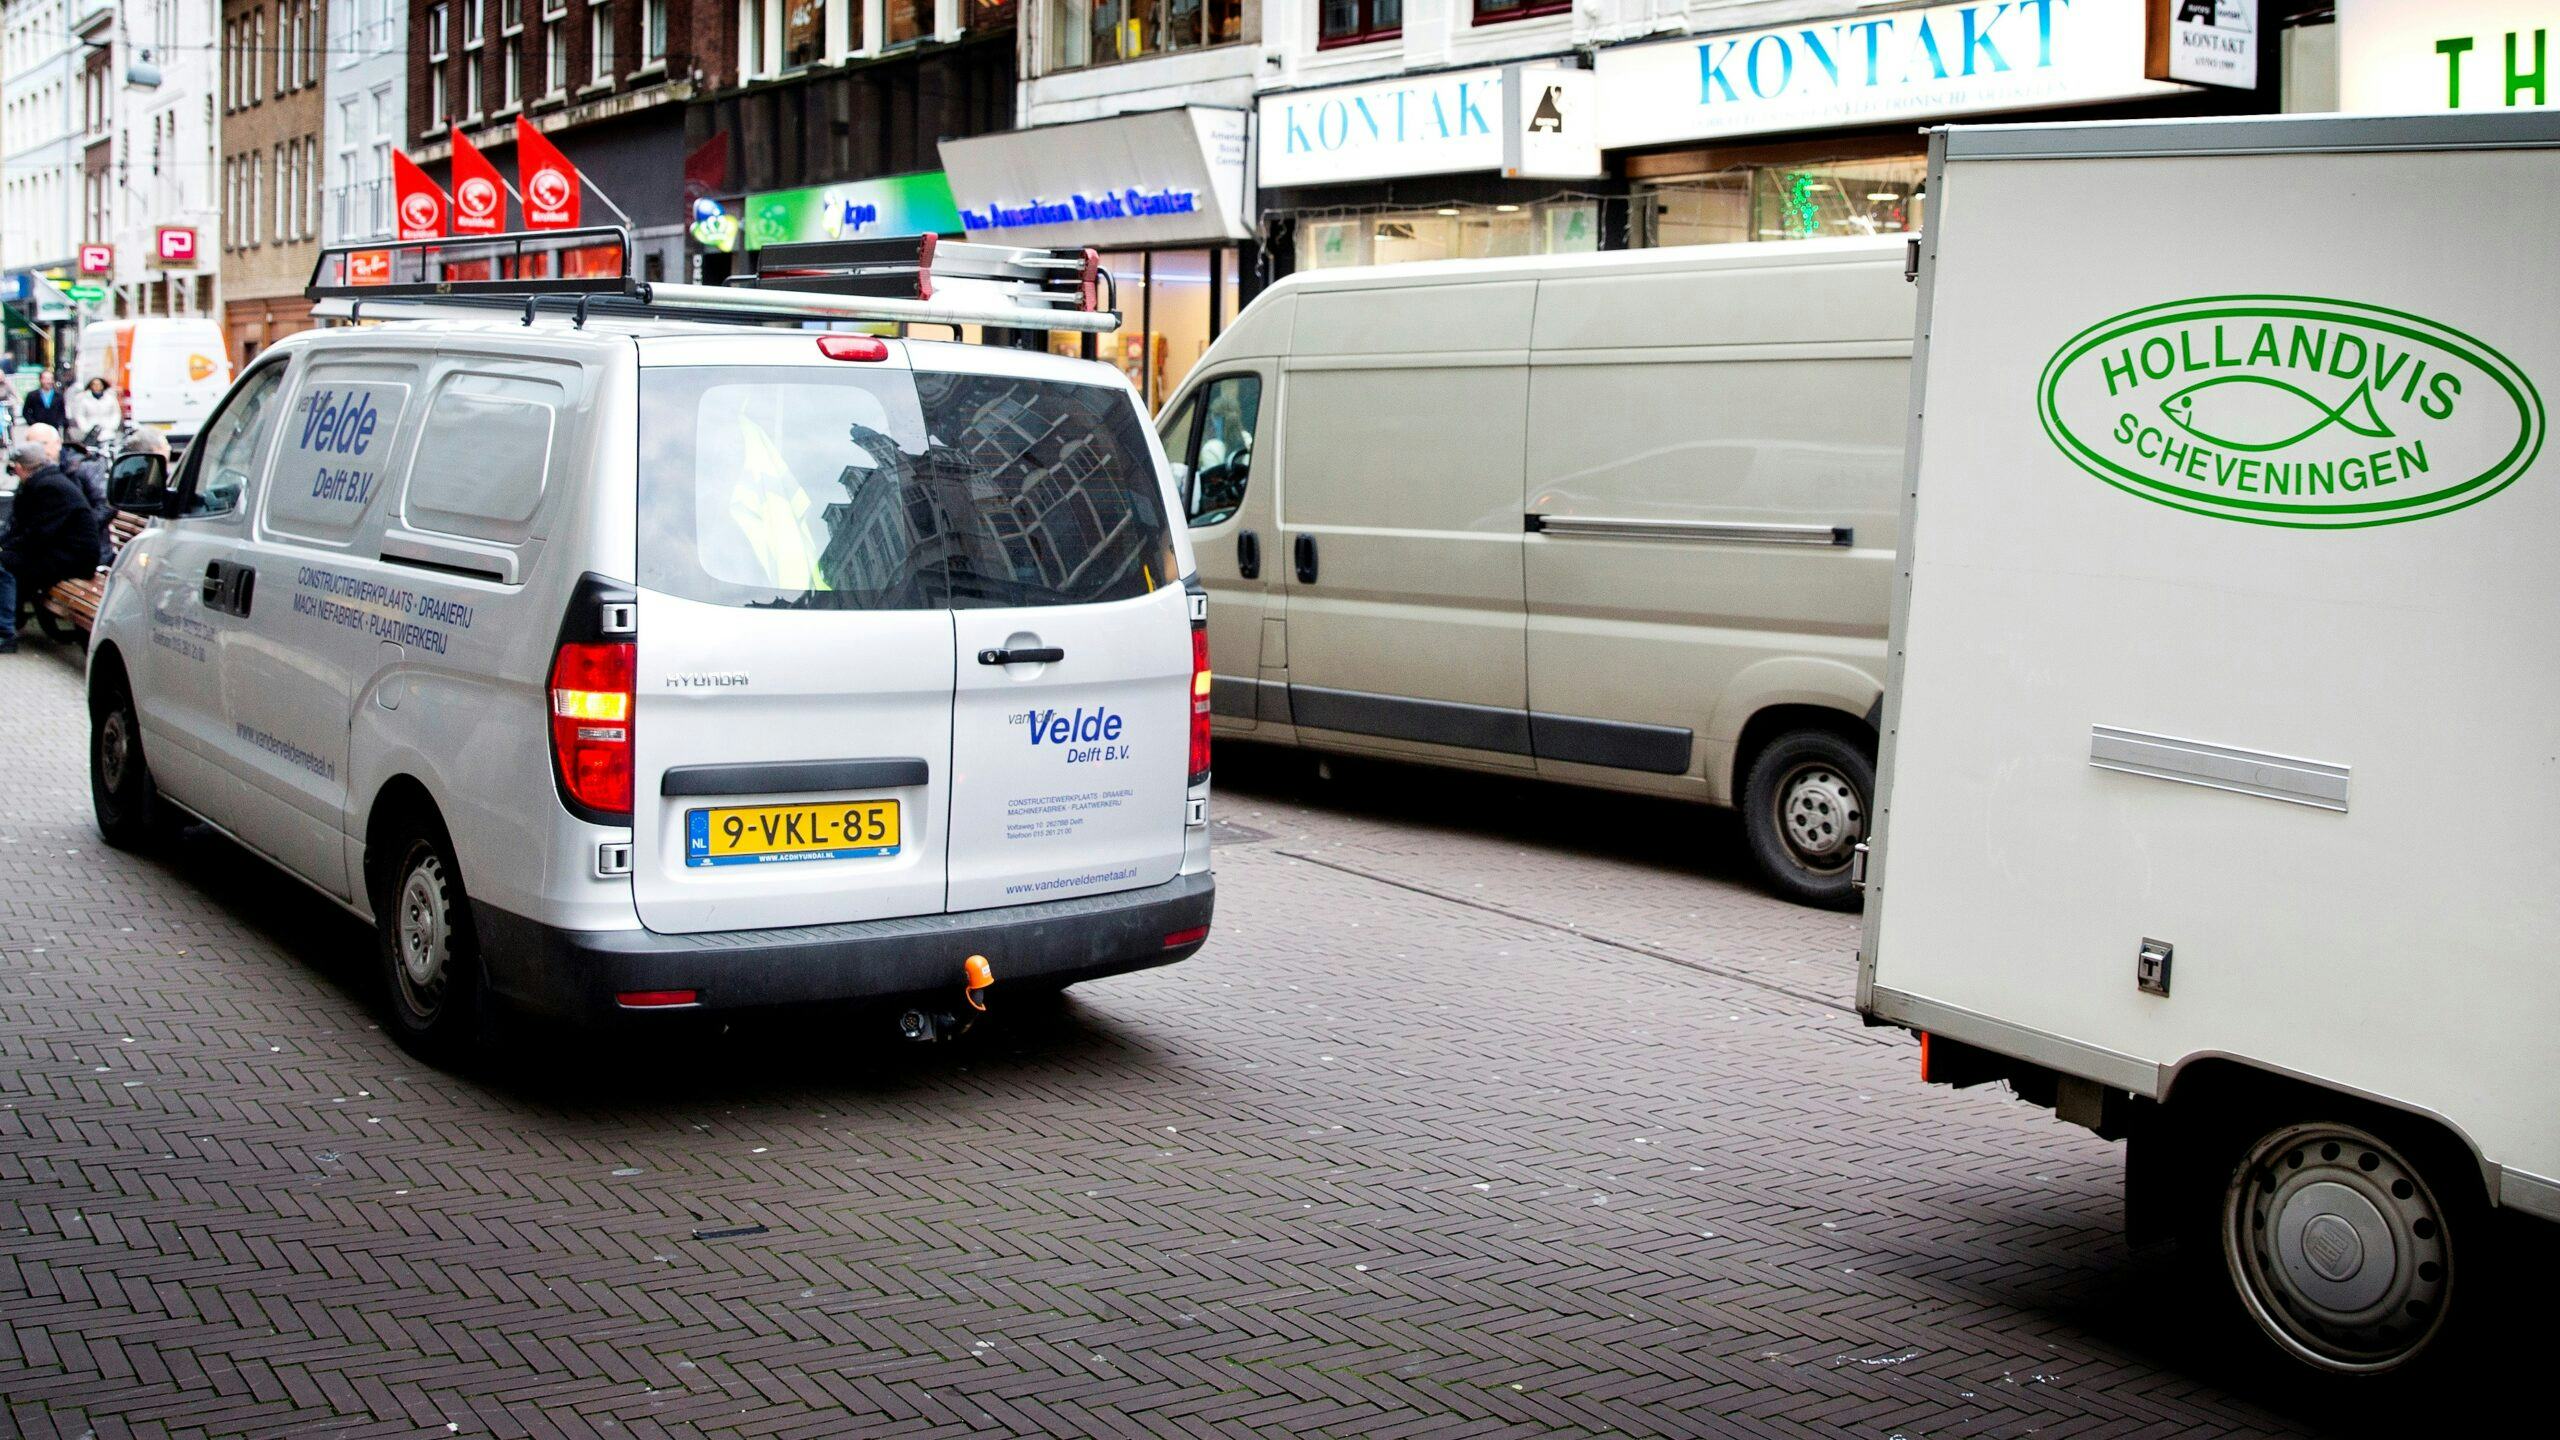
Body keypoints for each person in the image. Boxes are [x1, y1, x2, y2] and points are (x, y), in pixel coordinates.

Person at [0, 436, 103, 653]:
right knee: (8, 560)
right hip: (60, 552)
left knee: (5, 566)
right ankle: (10, 621)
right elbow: (25, 529)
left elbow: (39, 533)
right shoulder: (43, 482)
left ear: (19, 467)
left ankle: (6, 633)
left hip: (74, 558)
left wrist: (7, 550)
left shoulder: (49, 487)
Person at [68, 375, 120, 447]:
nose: (97, 386)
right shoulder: (84, 399)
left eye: (99, 384)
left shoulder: (110, 398)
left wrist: (112, 426)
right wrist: (85, 427)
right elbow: (80, 415)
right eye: (94, 384)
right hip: (90, 432)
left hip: (107, 432)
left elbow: (116, 413)